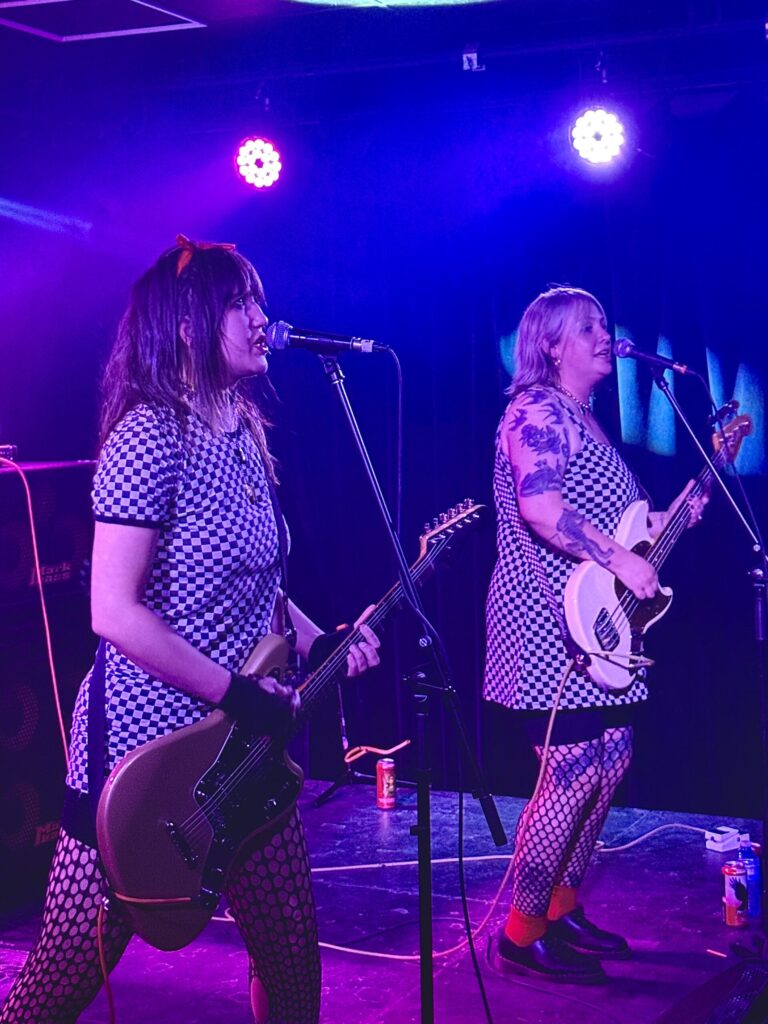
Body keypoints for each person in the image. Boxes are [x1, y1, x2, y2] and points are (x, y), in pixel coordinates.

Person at [0, 236, 380, 1024]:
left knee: (293, 970)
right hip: (147, 751)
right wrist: (239, 693)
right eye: (239, 303)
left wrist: (312, 635)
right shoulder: (149, 435)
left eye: (259, 301)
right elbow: (113, 611)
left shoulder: (243, 427)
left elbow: (258, 577)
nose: (260, 319)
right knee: (64, 975)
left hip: (245, 749)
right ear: (185, 326)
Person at [484, 286, 707, 983]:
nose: (604, 335)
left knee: (610, 759)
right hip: (548, 620)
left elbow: (621, 529)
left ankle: (561, 905)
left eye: (605, 323)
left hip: (597, 622)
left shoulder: (585, 420)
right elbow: (543, 511)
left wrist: (677, 511)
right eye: (589, 327)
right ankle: (520, 933)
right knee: (571, 771)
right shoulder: (537, 410)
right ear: (552, 344)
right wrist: (621, 560)